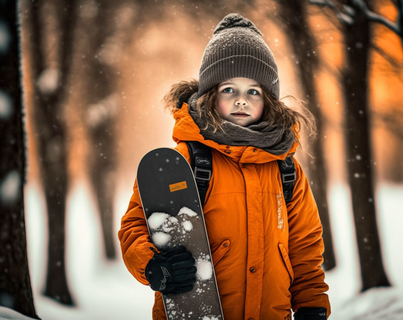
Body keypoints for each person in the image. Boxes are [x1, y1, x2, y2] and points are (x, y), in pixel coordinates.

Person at [119, 13, 331, 320]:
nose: (241, 101)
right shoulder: (186, 162)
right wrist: (154, 265)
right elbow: (134, 227)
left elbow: (305, 248)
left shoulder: (287, 170)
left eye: (253, 91)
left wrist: (313, 305)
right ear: (211, 96)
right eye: (229, 89)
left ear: (268, 100)